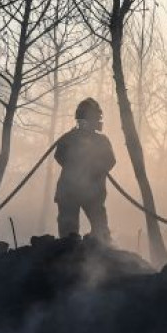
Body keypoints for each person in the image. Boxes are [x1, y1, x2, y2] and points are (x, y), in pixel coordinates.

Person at [55, 98, 116, 242]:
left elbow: (110, 161)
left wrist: (93, 170)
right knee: (69, 233)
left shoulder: (98, 140)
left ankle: (104, 254)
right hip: (72, 192)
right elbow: (59, 156)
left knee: (100, 229)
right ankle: (68, 255)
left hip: (90, 191)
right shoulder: (69, 138)